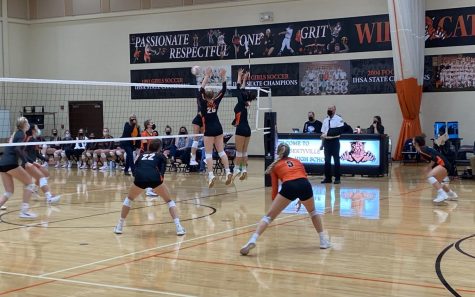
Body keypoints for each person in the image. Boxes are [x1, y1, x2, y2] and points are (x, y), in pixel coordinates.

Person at [240, 143, 331, 256]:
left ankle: (252, 240)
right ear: (288, 152)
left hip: (289, 186)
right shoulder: (297, 161)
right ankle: (323, 240)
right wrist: (301, 198)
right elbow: (303, 177)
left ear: (278, 152)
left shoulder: (275, 166)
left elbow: (274, 190)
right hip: (304, 185)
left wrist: (275, 203)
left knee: (268, 217)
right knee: (313, 212)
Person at [113, 139, 186, 236]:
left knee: (129, 199)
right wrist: (158, 184)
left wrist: (138, 179)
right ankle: (179, 228)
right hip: (154, 178)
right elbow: (162, 172)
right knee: (169, 201)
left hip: (140, 177)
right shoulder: (161, 156)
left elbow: (135, 168)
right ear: (160, 148)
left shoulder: (141, 155)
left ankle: (119, 226)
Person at [199, 67, 232, 187]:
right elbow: (224, 89)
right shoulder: (216, 101)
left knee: (208, 154)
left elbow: (201, 89)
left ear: (205, 96)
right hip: (218, 128)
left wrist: (207, 76)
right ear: (213, 95)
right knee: (221, 151)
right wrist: (223, 76)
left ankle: (211, 175)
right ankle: (228, 171)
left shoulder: (202, 102)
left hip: (209, 130)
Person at [0, 117, 38, 218]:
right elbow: (17, 148)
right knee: (30, 184)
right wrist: (25, 162)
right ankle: (24, 212)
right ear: (24, 124)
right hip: (10, 163)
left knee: (9, 192)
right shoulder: (21, 133)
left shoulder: (16, 133)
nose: (29, 124)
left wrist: (28, 161)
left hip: (2, 163)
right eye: (27, 122)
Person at [413, 135, 458, 203]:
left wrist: (428, 167)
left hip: (443, 164)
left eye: (413, 140)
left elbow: (434, 158)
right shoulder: (423, 149)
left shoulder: (422, 150)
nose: (412, 141)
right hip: (445, 164)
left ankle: (442, 194)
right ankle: (451, 194)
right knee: (438, 182)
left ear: (416, 143)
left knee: (430, 176)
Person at [24, 124, 61, 203]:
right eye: (37, 128)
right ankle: (49, 196)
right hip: (28, 163)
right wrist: (32, 162)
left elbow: (37, 154)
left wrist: (46, 160)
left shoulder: (35, 140)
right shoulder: (30, 139)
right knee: (42, 176)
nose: (38, 129)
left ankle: (35, 190)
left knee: (45, 174)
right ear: (33, 130)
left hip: (31, 162)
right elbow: (24, 153)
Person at [232, 69, 257, 181]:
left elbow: (238, 88)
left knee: (239, 152)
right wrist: (245, 78)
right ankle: (244, 170)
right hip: (247, 129)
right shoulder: (245, 103)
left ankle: (237, 169)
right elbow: (242, 89)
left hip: (241, 129)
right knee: (245, 151)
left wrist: (239, 75)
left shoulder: (241, 102)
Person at [321, 105, 344, 184]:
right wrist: (322, 144)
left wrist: (327, 134)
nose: (329, 110)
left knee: (336, 160)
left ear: (334, 110)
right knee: (327, 161)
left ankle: (337, 178)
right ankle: (328, 178)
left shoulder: (339, 119)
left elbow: (338, 131)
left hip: (335, 141)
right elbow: (323, 133)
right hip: (327, 142)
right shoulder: (325, 120)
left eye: (330, 109)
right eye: (328, 109)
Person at [140, 119, 159, 197]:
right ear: (147, 125)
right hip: (146, 153)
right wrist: (147, 154)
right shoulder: (144, 133)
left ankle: (149, 188)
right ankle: (148, 189)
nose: (153, 123)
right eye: (151, 123)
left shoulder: (153, 133)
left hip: (152, 153)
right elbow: (144, 145)